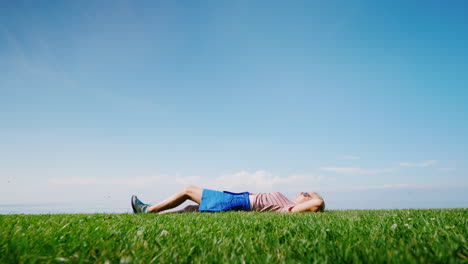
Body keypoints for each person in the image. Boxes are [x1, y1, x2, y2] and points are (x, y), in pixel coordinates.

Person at [131, 185, 325, 214]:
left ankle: (147, 210)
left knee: (188, 191)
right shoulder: (288, 204)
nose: (304, 194)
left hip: (237, 203)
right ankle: (156, 214)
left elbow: (317, 204)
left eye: (306, 195)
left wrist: (315, 199)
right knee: (191, 209)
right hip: (237, 199)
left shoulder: (290, 208)